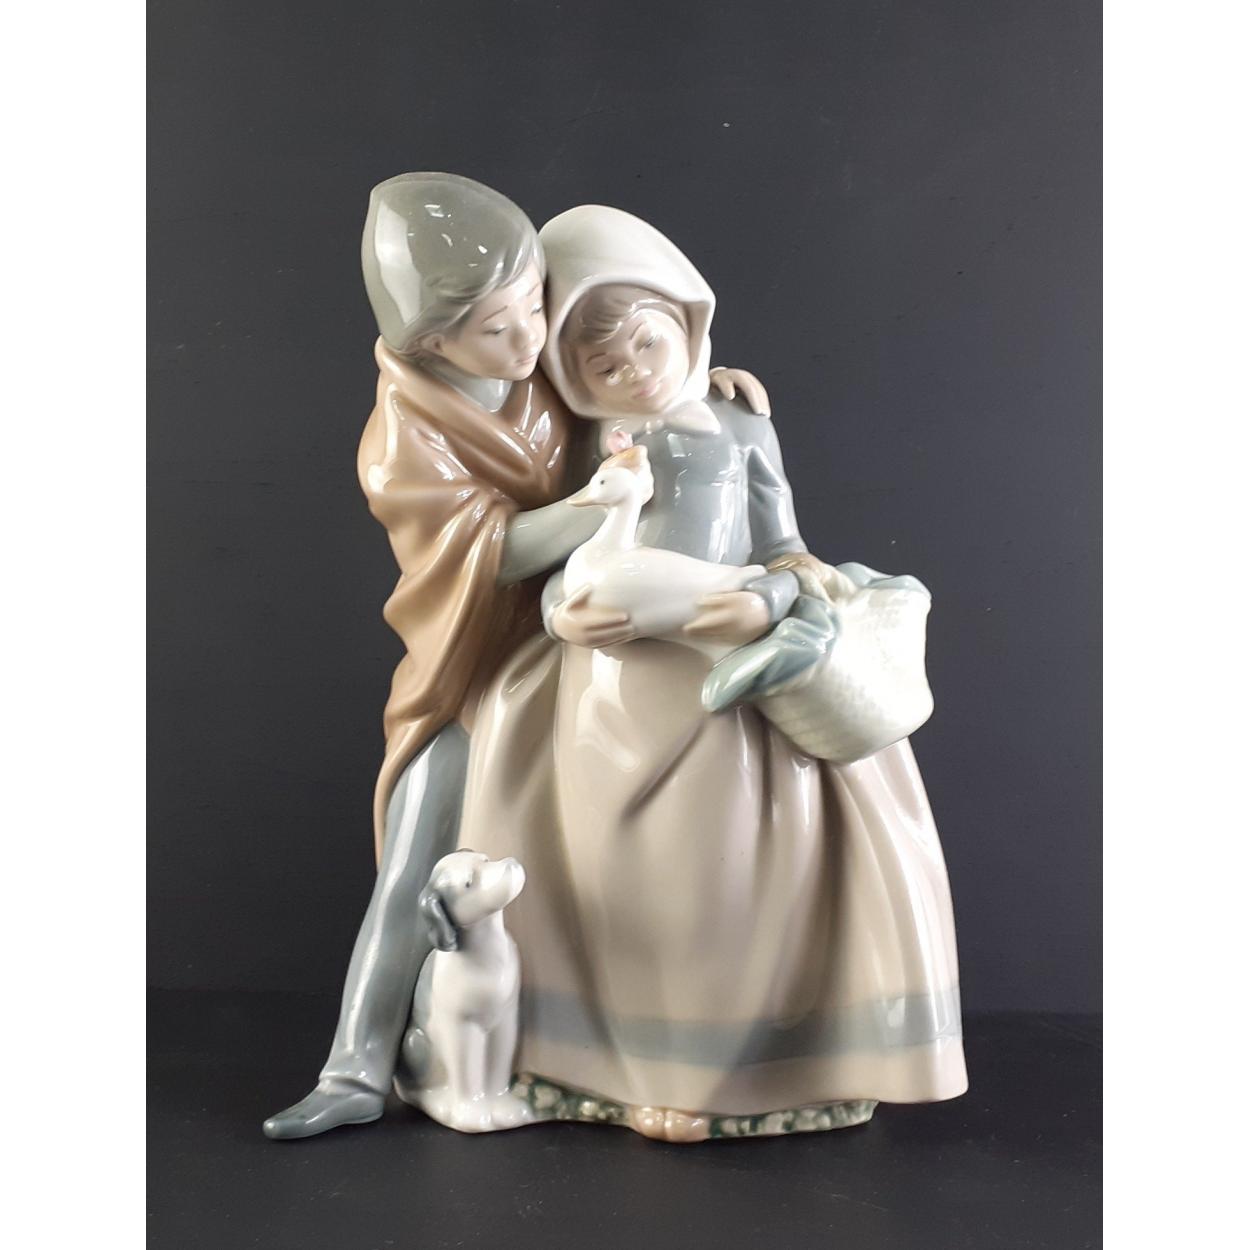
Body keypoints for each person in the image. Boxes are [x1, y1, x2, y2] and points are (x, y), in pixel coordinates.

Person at [264, 177, 765, 1139]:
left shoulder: (537, 369)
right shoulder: (402, 443)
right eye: (499, 329)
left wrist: (703, 382)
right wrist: (593, 505)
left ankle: (610, 1044)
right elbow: (482, 555)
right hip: (482, 655)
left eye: (536, 305)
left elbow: (622, 377)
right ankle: (356, 1065)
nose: (531, 339)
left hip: (605, 629)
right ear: (432, 346)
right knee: (427, 839)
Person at [454, 206, 968, 1142]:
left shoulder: (739, 420)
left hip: (728, 674)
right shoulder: (583, 441)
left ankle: (740, 1071)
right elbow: (553, 551)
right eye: (604, 366)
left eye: (649, 343)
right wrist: (569, 598)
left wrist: (774, 592)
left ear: (687, 319)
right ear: (570, 374)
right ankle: (623, 1065)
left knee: (734, 875)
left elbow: (784, 542)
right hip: (615, 686)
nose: (636, 373)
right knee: (627, 879)